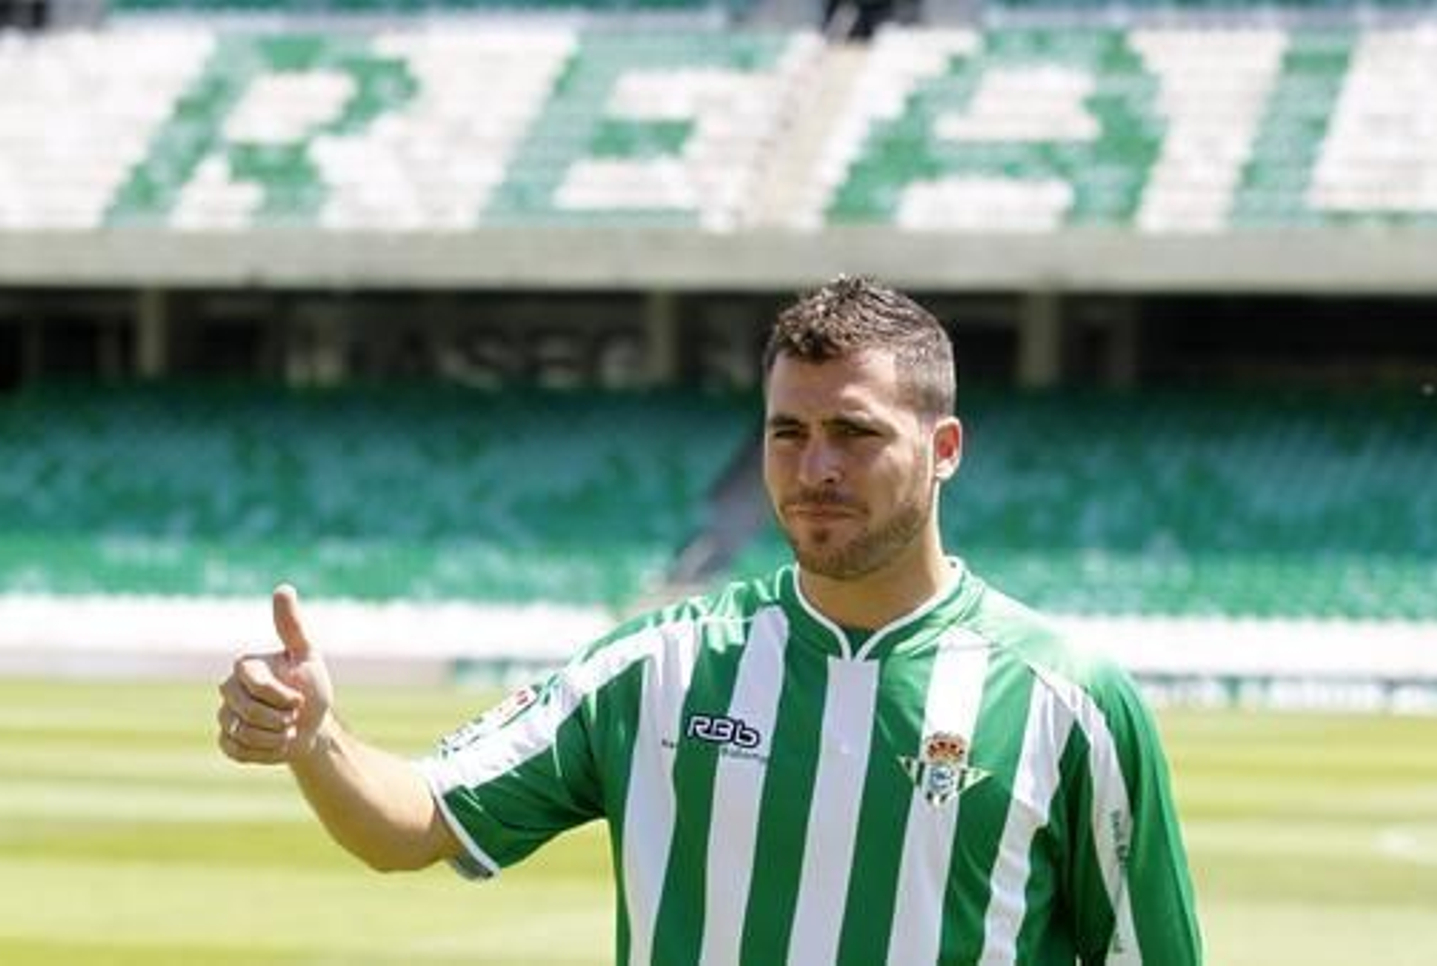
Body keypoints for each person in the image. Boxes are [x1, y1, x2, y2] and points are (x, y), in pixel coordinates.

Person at [217, 276, 1202, 965]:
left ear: (943, 447)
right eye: (788, 432)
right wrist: (318, 741)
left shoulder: (1069, 702)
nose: (814, 467)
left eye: (854, 434)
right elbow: (418, 824)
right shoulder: (658, 668)